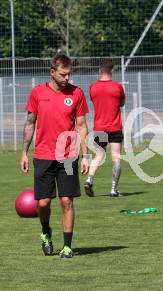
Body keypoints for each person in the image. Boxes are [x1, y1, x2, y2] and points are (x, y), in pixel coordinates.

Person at [20, 54, 89, 258]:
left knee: (67, 200)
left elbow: (82, 126)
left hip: (68, 155)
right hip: (43, 155)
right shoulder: (37, 93)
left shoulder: (77, 93)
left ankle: (67, 246)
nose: (67, 78)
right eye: (63, 74)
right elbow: (30, 123)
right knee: (43, 203)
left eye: (69, 74)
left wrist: (86, 155)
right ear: (52, 72)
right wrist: (24, 152)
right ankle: (45, 231)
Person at [84, 59, 126, 197]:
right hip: (115, 127)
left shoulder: (93, 87)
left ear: (99, 70)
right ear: (111, 71)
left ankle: (89, 180)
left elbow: (94, 100)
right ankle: (113, 189)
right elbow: (122, 103)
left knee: (99, 155)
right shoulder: (117, 87)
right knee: (116, 157)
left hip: (100, 127)